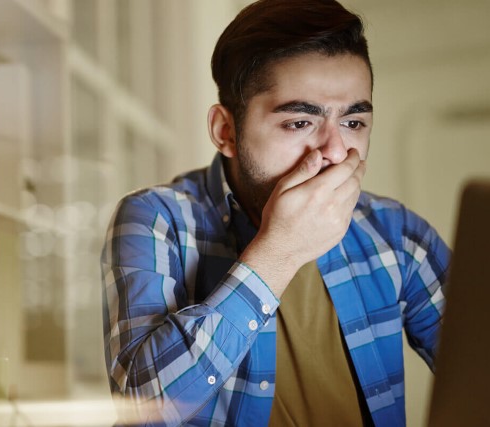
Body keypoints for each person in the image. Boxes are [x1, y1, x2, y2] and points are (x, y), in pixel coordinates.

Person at [100, 0, 450, 425]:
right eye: (300, 123)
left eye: (354, 122)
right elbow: (141, 408)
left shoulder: (398, 234)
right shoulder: (158, 219)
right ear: (226, 131)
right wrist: (278, 251)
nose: (336, 150)